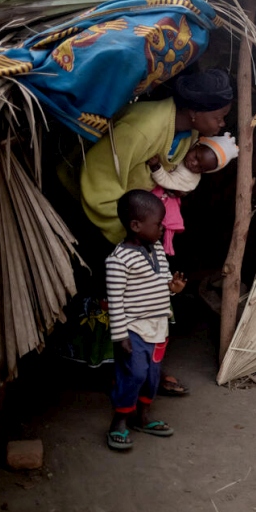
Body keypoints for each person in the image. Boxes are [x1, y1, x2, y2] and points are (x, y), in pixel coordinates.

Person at [80, 68, 233, 246]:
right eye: (219, 117)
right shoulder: (143, 128)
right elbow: (98, 176)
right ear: (195, 112)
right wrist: (129, 232)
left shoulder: (190, 135)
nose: (222, 124)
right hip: (88, 211)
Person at [105, 190, 187, 451]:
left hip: (158, 328)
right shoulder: (118, 261)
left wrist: (173, 288)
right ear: (136, 226)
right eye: (158, 224)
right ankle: (119, 421)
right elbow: (115, 301)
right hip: (134, 329)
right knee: (133, 373)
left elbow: (162, 283)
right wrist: (120, 336)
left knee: (151, 376)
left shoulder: (158, 251)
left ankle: (142, 417)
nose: (163, 228)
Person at [148, 132, 239, 255]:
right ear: (197, 145)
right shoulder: (188, 142)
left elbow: (166, 181)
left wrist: (155, 167)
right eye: (196, 157)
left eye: (201, 168)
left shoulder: (191, 179)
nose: (194, 164)